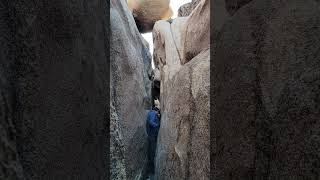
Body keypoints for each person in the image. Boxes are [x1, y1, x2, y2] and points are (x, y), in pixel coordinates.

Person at [146, 106, 161, 174]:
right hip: (151, 135)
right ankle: (152, 169)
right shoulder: (153, 113)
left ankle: (151, 168)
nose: (158, 115)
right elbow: (151, 122)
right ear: (157, 111)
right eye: (158, 113)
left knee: (151, 150)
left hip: (151, 134)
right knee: (152, 151)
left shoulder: (150, 113)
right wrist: (157, 125)